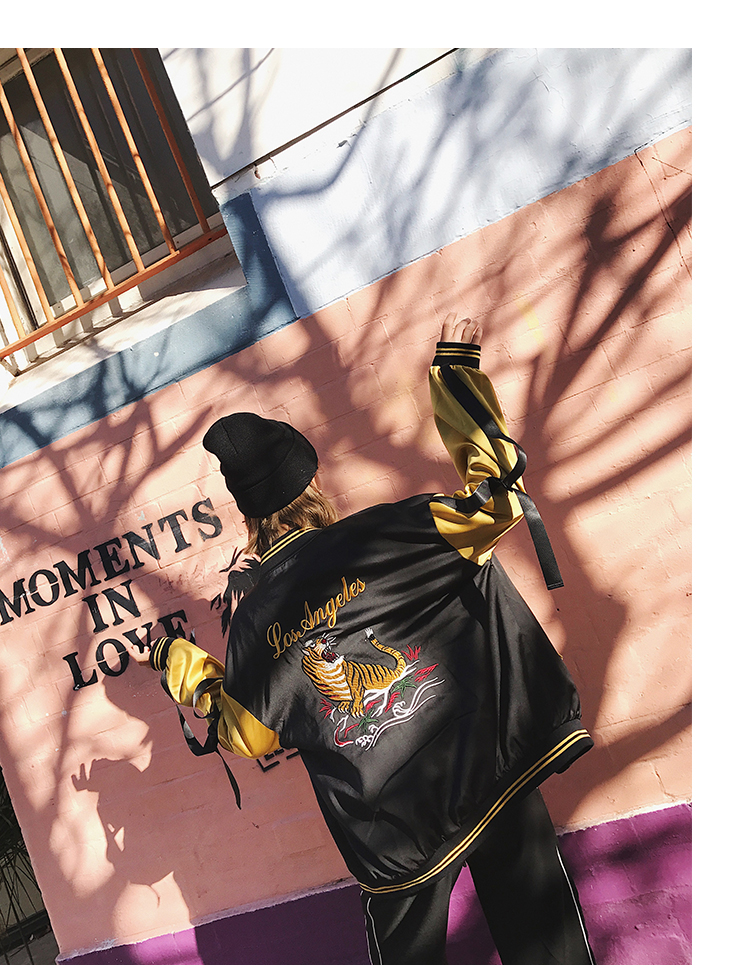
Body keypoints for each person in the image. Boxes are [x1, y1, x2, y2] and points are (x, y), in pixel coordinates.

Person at [129, 313, 595, 965]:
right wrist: (456, 375)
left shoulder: (256, 623)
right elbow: (497, 500)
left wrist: (183, 665)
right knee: (552, 955)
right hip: (488, 777)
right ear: (311, 484)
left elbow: (251, 734)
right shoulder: (392, 533)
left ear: (252, 519)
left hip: (392, 837)